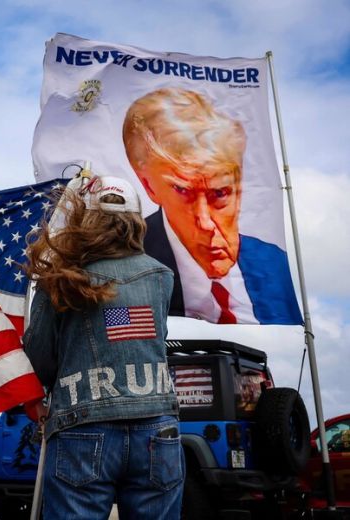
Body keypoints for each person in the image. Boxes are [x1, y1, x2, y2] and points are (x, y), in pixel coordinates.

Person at [23, 175, 183, 520]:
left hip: (82, 427)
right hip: (157, 427)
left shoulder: (61, 277)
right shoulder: (161, 276)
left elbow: (39, 356)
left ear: (88, 218)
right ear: (137, 221)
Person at [121, 87, 301, 325]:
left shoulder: (271, 262)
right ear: (149, 186)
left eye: (220, 193)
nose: (205, 222)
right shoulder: (126, 262)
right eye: (183, 191)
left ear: (238, 182)